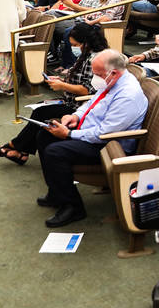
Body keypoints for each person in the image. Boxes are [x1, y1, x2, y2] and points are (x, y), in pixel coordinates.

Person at [36, 50, 148, 227]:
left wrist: (69, 134)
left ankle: (73, 207)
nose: (95, 78)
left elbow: (104, 133)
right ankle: (57, 193)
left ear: (113, 72)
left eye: (98, 74)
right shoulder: (113, 81)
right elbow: (93, 102)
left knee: (55, 151)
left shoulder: (128, 95)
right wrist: (76, 116)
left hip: (110, 146)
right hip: (94, 132)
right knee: (45, 133)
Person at [0, 22, 107, 166]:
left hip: (80, 105)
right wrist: (61, 80)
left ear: (85, 42)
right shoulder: (86, 54)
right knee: (40, 110)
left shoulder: (95, 59)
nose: (74, 48)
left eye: (75, 45)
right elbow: (79, 79)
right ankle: (21, 151)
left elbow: (88, 90)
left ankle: (16, 147)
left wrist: (62, 85)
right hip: (71, 100)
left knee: (41, 113)